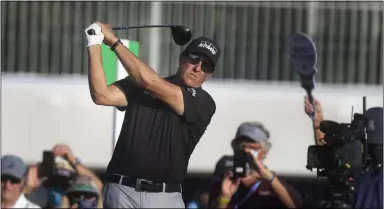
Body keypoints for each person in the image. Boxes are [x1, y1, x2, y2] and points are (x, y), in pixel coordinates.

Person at [84, 21, 221, 208]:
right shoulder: (141, 83)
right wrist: (94, 43)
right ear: (181, 58)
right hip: (121, 191)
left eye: (205, 66)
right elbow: (101, 95)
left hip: (165, 198)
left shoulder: (204, 103)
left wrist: (114, 43)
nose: (198, 68)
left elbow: (152, 83)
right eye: (194, 58)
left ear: (209, 75)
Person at [208, 122, 303, 209]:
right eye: (242, 147)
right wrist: (224, 198)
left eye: (252, 148)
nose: (246, 152)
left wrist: (269, 178)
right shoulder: (226, 182)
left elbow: (295, 205)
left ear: (264, 152)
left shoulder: (273, 184)